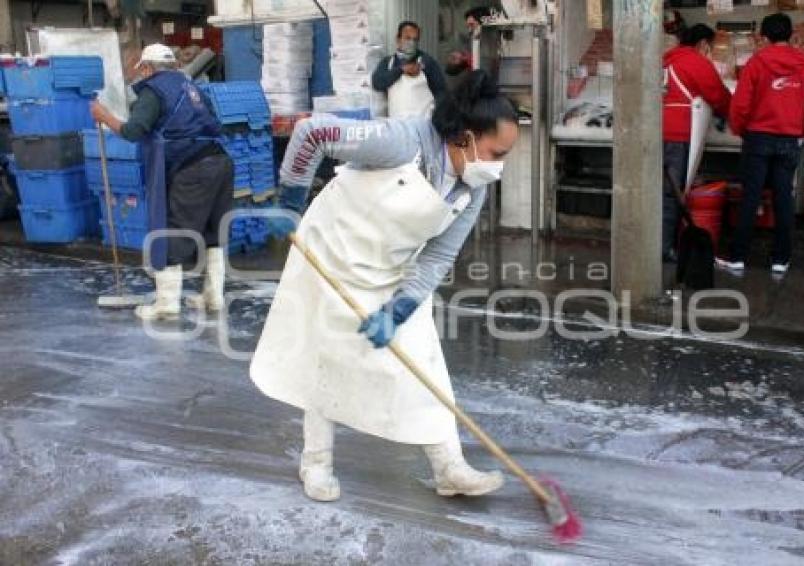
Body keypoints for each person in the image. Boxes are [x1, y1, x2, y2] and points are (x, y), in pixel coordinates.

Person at [250, 71, 518, 502]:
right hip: (332, 254)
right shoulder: (401, 142)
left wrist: (398, 311)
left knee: (425, 357)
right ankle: (315, 463)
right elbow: (312, 132)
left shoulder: (472, 188)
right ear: (466, 137)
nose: (499, 165)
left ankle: (449, 466)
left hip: (391, 266)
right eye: (496, 152)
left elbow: (437, 257)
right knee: (327, 358)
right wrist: (290, 200)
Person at [91, 44, 234, 320]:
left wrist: (104, 116)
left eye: (141, 69)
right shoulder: (191, 87)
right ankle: (213, 296)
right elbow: (213, 123)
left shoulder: (153, 90)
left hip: (193, 168)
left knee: (174, 231)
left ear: (147, 68)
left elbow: (134, 131)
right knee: (212, 232)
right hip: (221, 163)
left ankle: (167, 305)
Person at [718, 13, 804, 275]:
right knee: (783, 198)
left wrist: (741, 130)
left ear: (764, 37)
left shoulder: (757, 62)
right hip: (789, 139)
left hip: (758, 137)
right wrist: (802, 131)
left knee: (750, 196)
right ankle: (780, 260)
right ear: (790, 36)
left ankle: (739, 257)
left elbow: (740, 105)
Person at [662, 24, 732, 262]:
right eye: (710, 48)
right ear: (703, 44)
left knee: (660, 190)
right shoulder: (696, 62)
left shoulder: (666, 60)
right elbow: (719, 96)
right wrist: (735, 113)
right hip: (679, 134)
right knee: (673, 193)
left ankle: (656, 243)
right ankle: (665, 247)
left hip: (657, 132)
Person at [372, 21, 447, 119]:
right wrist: (401, 70)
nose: (411, 43)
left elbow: (441, 92)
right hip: (397, 125)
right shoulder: (388, 62)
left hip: (423, 125)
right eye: (407, 38)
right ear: (398, 39)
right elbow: (377, 83)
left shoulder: (427, 62)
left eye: (415, 39)